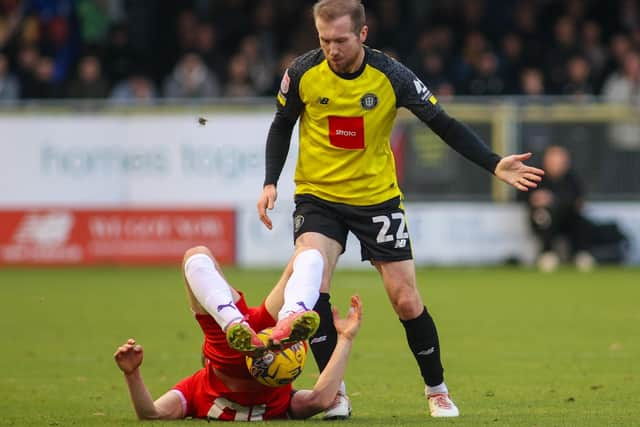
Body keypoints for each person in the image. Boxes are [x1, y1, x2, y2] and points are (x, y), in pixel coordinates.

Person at [256, 0, 545, 419]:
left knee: (406, 300)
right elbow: (281, 124)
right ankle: (333, 393)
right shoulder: (302, 72)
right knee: (312, 279)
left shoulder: (391, 76)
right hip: (318, 197)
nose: (332, 49)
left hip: (376, 200)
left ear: (363, 34)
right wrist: (270, 181)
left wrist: (493, 162)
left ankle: (436, 389)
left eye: (340, 40)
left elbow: (442, 122)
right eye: (324, 40)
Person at [114, 245, 363, 421]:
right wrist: (346, 338)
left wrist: (132, 373)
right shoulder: (279, 403)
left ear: (206, 362)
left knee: (197, 255)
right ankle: (286, 314)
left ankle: (238, 320)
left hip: (237, 350)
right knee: (308, 255)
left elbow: (152, 414)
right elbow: (320, 400)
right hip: (270, 336)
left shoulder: (197, 390)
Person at [525, 145, 594, 272]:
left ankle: (580, 254)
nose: (557, 164)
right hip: (545, 220)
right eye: (554, 161)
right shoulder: (536, 176)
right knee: (544, 216)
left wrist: (554, 199)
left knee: (580, 219)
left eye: (561, 161)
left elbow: (578, 200)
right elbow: (523, 196)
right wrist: (534, 198)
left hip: (567, 220)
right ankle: (547, 253)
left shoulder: (572, 178)